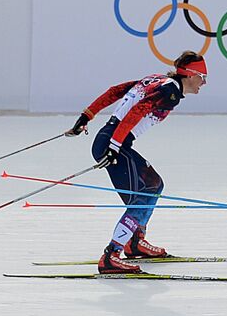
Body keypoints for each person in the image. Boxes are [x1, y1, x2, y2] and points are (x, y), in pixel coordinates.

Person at [65, 51, 208, 274]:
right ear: (189, 74)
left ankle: (135, 241)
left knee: (153, 185)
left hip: (114, 140)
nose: (204, 83)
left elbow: (116, 92)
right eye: (202, 76)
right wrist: (114, 146)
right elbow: (136, 111)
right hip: (115, 143)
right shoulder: (169, 91)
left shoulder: (157, 80)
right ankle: (111, 255)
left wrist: (86, 116)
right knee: (146, 192)